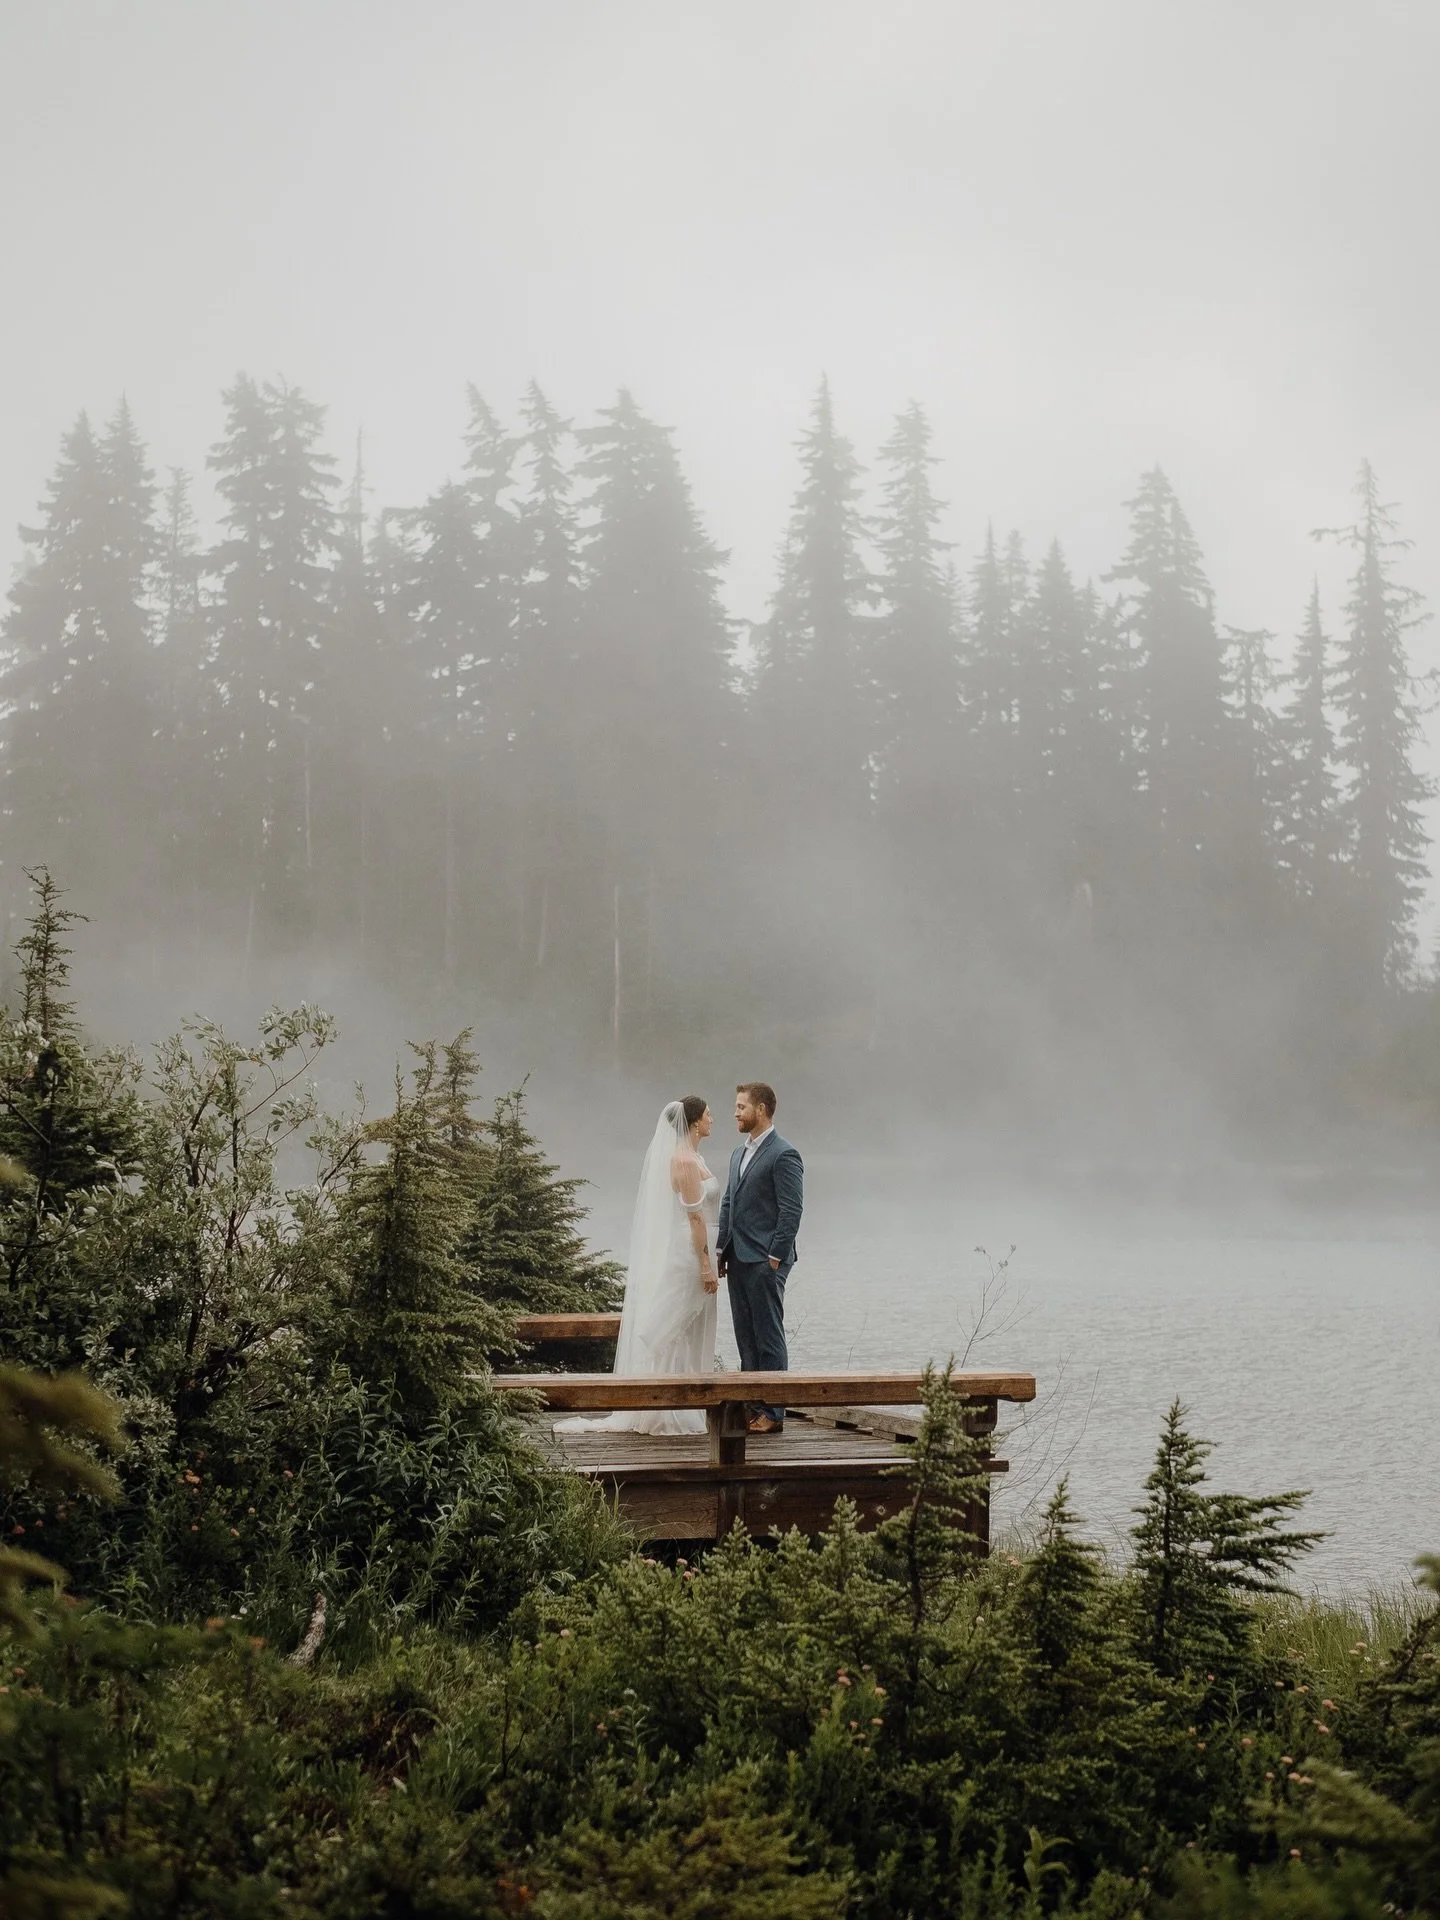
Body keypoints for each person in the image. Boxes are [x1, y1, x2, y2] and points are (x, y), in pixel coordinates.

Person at [557, 1096, 720, 1436]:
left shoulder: (696, 1157)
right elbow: (694, 1217)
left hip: (702, 1249)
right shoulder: (684, 1161)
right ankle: (666, 1407)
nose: (712, 1119)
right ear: (693, 1123)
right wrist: (706, 1264)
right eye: (707, 1115)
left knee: (691, 1326)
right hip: (691, 1252)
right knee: (673, 1326)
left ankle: (687, 1398)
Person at [716, 1082, 803, 1434]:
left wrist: (775, 1257)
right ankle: (752, 1406)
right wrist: (722, 1249)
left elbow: (791, 1212)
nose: (735, 1113)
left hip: (766, 1261)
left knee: (768, 1336)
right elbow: (728, 1203)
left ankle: (773, 1411)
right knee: (746, 1336)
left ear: (762, 1109)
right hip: (738, 1258)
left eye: (741, 1107)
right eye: (735, 1107)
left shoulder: (784, 1154)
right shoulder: (738, 1154)